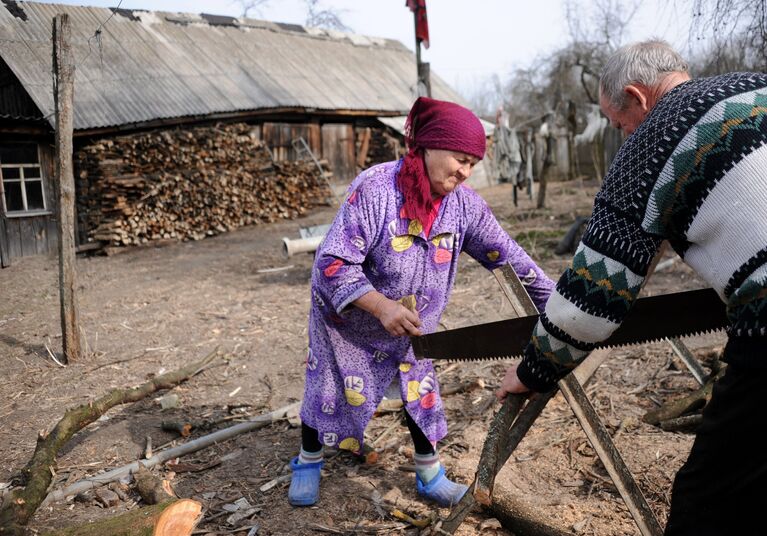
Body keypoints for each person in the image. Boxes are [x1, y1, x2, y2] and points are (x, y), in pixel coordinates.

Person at [496, 40, 767, 535]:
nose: (622, 136)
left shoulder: (650, 146)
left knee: (705, 503)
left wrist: (534, 369)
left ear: (636, 97)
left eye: (618, 123)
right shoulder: (755, 87)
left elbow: (590, 300)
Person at [289, 97, 555, 507]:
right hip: (349, 322)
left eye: (473, 163)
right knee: (326, 387)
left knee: (420, 391)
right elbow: (331, 263)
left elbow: (509, 257)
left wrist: (564, 308)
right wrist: (380, 306)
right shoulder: (375, 189)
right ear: (429, 146)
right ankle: (308, 461)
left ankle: (429, 473)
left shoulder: (464, 206)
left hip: (413, 325)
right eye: (459, 159)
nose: (465, 172)